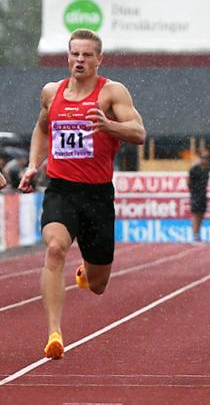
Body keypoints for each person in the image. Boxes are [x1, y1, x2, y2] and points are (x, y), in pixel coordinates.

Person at [18, 29, 146, 359]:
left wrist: (109, 126)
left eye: (87, 55)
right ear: (67, 57)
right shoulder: (51, 92)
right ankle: (54, 334)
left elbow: (139, 132)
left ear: (99, 60)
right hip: (61, 190)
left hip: (98, 196)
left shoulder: (112, 94)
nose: (80, 60)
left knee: (99, 283)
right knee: (56, 248)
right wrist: (34, 164)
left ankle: (86, 273)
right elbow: (42, 129)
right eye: (75, 54)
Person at [189, 151, 210, 243]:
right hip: (195, 194)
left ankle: (198, 235)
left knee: (201, 215)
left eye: (205, 158)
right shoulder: (194, 169)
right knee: (195, 215)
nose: (204, 160)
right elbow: (189, 182)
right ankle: (195, 236)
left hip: (203, 194)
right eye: (203, 158)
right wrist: (194, 192)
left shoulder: (207, 169)